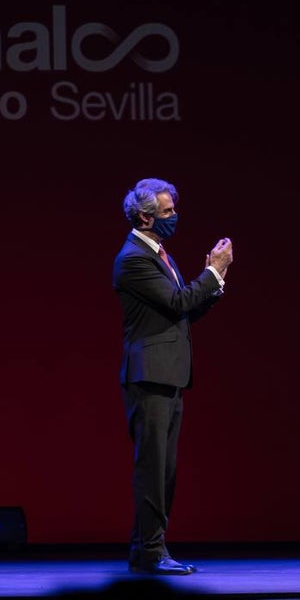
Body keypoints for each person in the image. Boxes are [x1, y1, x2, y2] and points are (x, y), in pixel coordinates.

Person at [113, 178, 233, 576]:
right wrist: (213, 273)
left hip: (169, 374)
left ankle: (148, 548)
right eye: (166, 212)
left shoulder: (159, 254)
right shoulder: (134, 258)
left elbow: (182, 312)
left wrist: (212, 286)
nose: (174, 217)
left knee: (165, 469)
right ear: (145, 216)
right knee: (153, 467)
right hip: (149, 375)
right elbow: (177, 301)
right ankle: (149, 551)